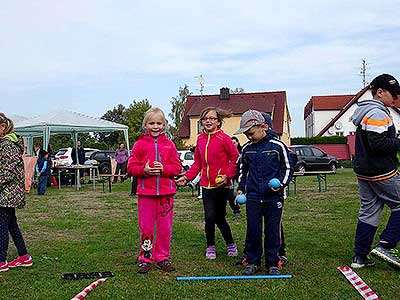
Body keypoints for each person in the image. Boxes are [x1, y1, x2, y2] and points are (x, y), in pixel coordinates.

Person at [350, 73, 400, 269]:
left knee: (369, 212)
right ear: (380, 92)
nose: (396, 98)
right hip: (381, 171)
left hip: (365, 172)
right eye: (394, 94)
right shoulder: (377, 113)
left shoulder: (366, 112)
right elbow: (378, 143)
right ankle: (386, 245)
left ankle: (359, 257)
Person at [235, 109, 294, 275]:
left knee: (272, 231)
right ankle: (253, 261)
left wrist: (281, 184)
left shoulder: (278, 146)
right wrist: (240, 189)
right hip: (253, 197)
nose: (249, 137)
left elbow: (288, 168)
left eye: (251, 133)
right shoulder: (247, 149)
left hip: (273, 197)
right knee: (253, 230)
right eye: (246, 135)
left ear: (263, 127)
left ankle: (273, 263)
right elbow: (243, 171)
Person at [176, 107, 239, 260]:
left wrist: (228, 176)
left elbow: (235, 158)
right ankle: (210, 246)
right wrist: (187, 177)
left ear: (218, 122)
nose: (208, 121)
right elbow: (197, 164)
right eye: (205, 119)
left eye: (212, 118)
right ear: (202, 122)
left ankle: (230, 243)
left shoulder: (224, 138)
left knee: (220, 217)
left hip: (222, 186)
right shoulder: (200, 139)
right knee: (210, 217)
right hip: (206, 186)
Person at [127, 107, 181, 274]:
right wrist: (144, 170)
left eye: (159, 123)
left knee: (165, 228)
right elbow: (131, 166)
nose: (155, 126)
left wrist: (164, 169)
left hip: (166, 194)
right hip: (146, 195)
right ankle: (146, 258)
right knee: (147, 228)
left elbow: (177, 167)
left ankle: (163, 258)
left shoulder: (170, 145)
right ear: (145, 125)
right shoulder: (139, 145)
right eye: (152, 123)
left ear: (164, 125)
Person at [0, 113, 33, 272]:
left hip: (7, 193)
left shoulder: (7, 145)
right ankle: (24, 256)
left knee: (2, 226)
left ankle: (1, 261)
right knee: (11, 225)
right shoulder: (6, 144)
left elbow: (7, 172)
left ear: (2, 127)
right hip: (7, 192)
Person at [228, 137, 241, 217]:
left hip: (239, 174)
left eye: (234, 143)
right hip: (231, 175)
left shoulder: (242, 152)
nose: (233, 144)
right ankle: (236, 210)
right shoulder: (227, 152)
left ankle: (236, 210)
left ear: (238, 143)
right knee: (230, 194)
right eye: (231, 143)